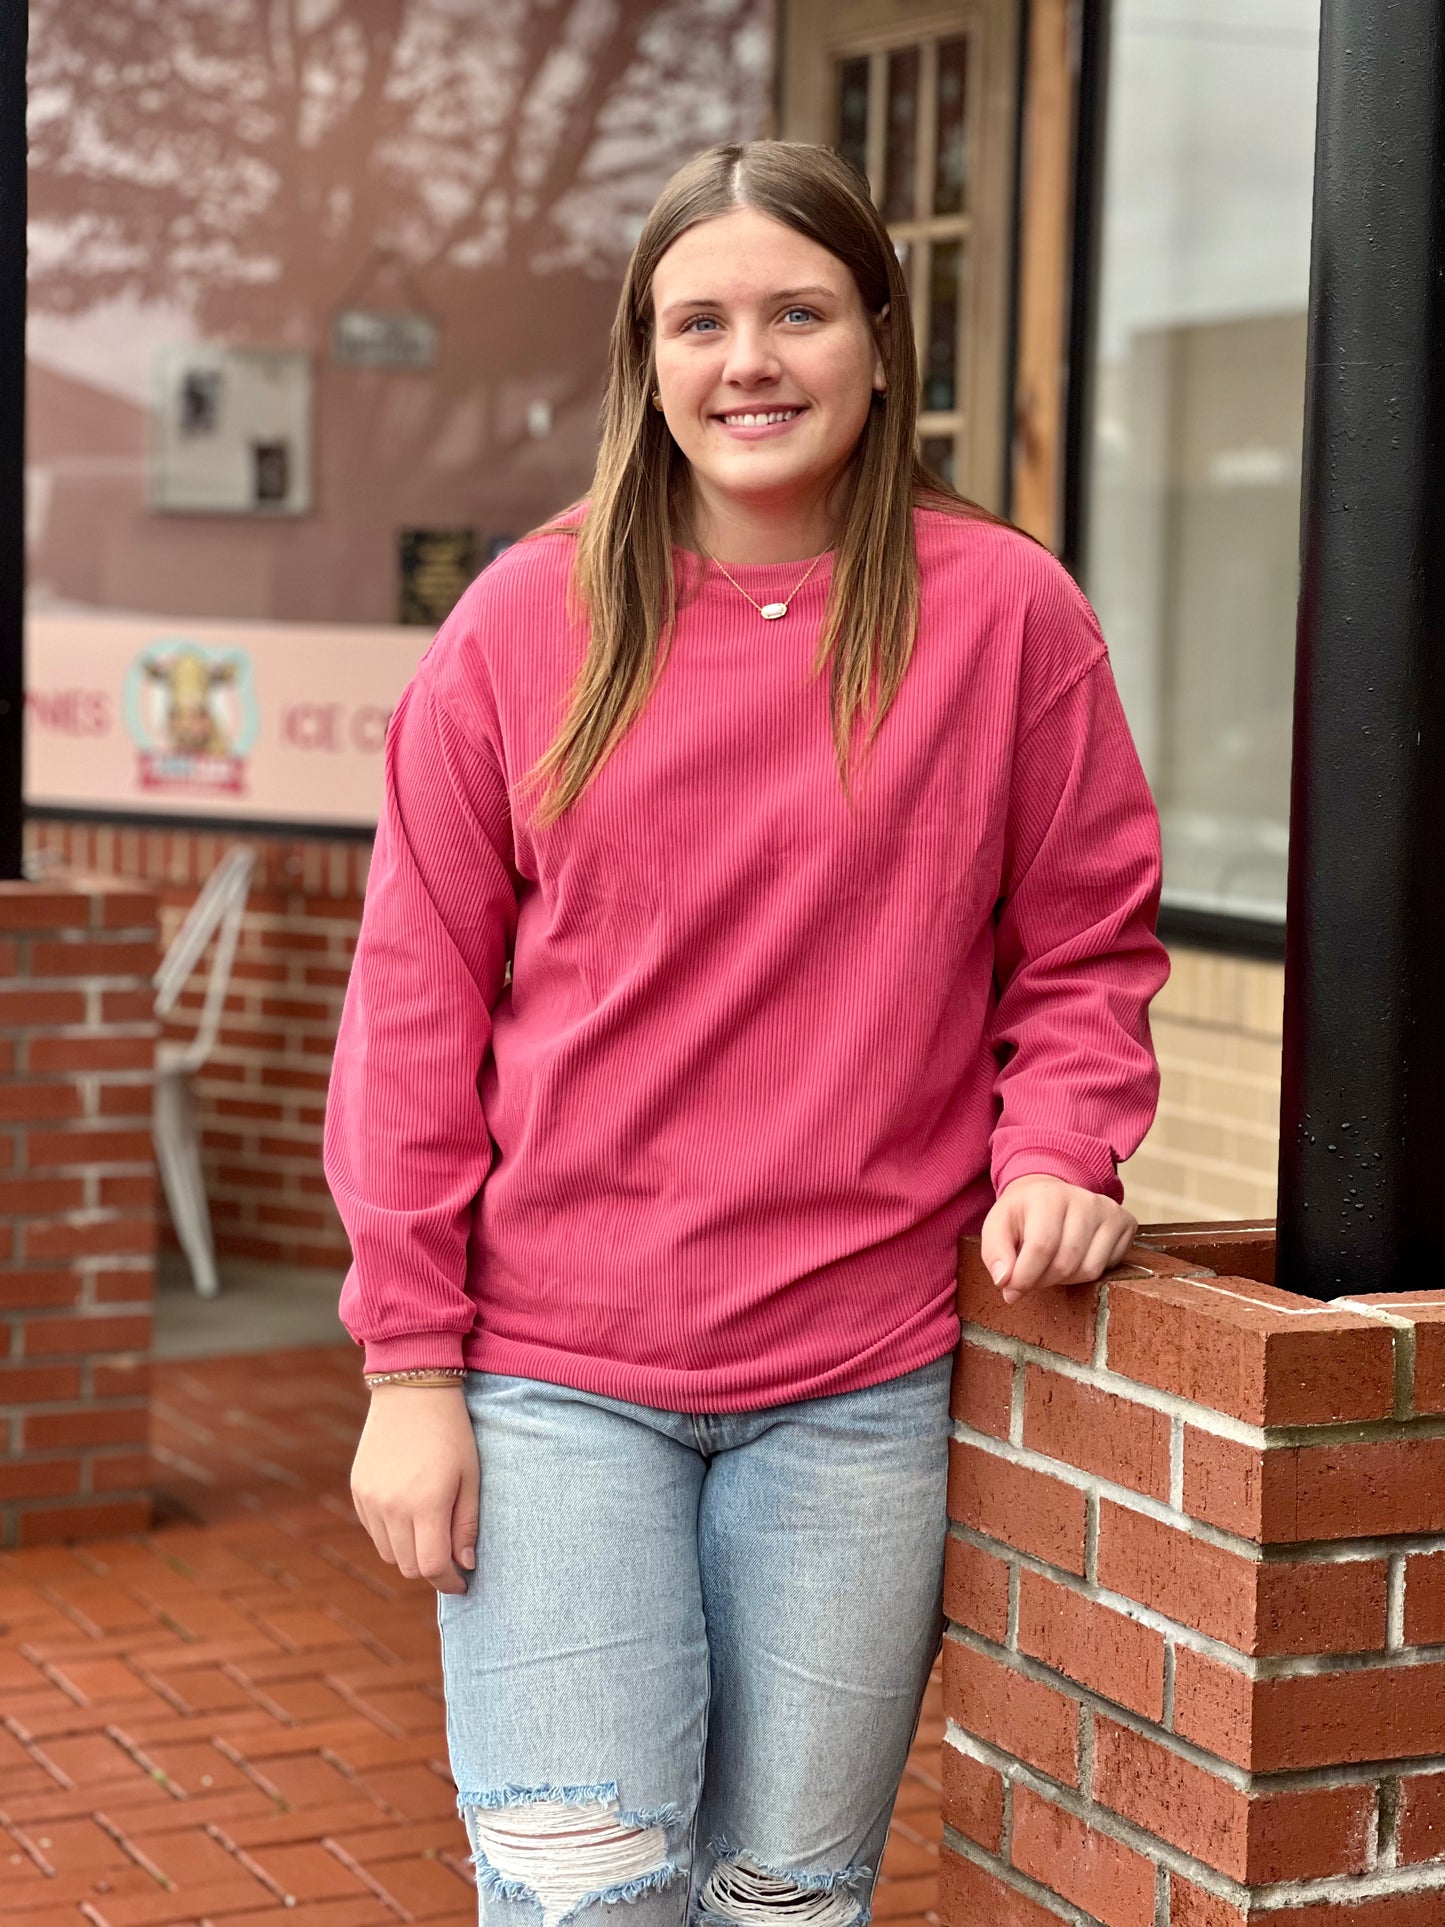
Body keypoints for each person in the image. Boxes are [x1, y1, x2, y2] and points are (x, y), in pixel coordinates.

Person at [324, 139, 1168, 1927]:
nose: (747, 361)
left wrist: (1059, 1141)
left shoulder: (1007, 618)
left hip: (858, 1389)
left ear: (877, 334)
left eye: (796, 311)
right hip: (554, 1379)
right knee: (583, 1900)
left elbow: (1085, 938)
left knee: (790, 1902)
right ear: (645, 357)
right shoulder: (520, 623)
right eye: (696, 320)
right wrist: (409, 1368)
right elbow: (411, 1006)